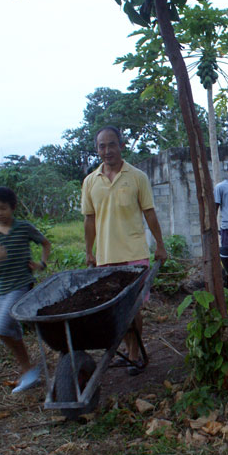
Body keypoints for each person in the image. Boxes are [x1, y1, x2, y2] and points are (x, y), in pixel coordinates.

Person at [81, 125, 167, 376]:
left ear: (121, 145)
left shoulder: (137, 176)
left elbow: (149, 213)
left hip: (134, 255)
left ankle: (133, 354)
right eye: (101, 146)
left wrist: (160, 245)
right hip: (106, 257)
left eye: (111, 145)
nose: (107, 151)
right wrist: (89, 251)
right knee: (115, 311)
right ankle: (130, 350)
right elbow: (89, 220)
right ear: (97, 149)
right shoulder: (90, 182)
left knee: (133, 309)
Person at [0, 186, 51, 393]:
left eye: (3, 208)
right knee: (10, 332)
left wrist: (41, 264)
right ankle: (29, 371)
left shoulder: (24, 228)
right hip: (1, 290)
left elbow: (46, 244)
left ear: (13, 208)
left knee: (1, 329)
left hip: (21, 285)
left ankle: (29, 369)